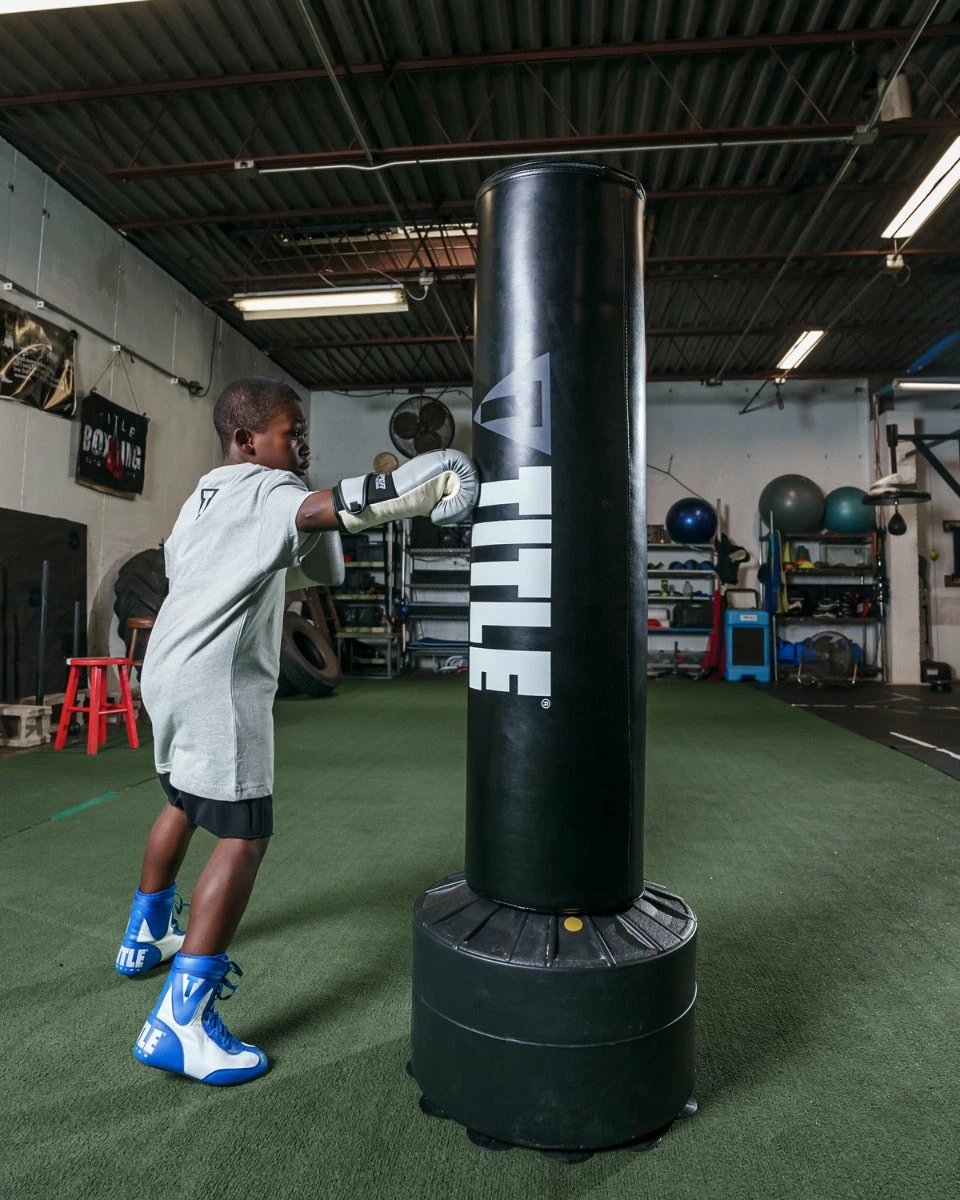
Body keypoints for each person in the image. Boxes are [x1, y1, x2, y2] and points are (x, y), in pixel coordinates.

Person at [115, 376, 477, 1086]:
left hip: (165, 671)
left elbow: (312, 554)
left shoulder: (204, 496)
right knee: (244, 832)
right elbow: (323, 507)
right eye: (290, 430)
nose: (301, 442)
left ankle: (145, 933)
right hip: (218, 683)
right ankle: (180, 1023)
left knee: (184, 800)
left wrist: (317, 518)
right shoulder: (265, 487)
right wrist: (422, 481)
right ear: (247, 440)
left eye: (303, 430)